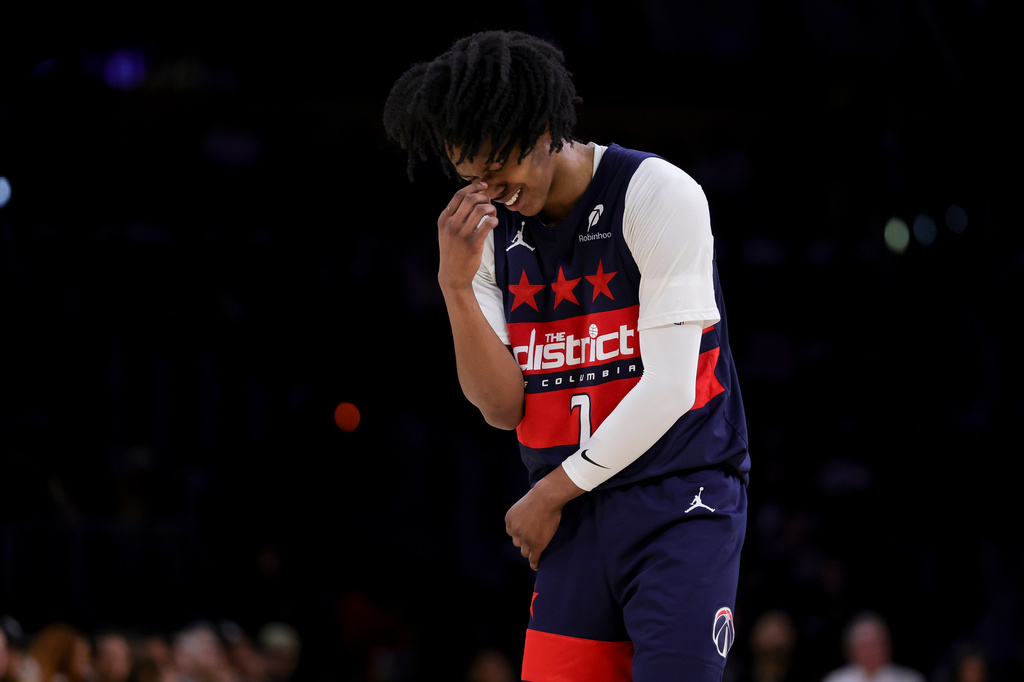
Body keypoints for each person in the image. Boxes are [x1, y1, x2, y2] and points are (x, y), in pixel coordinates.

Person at [384, 30, 750, 682]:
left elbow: (670, 388)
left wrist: (547, 493)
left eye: (501, 168)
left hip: (679, 498)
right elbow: (501, 408)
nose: (491, 190)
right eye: (472, 177)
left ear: (544, 128)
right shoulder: (486, 237)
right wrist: (456, 287)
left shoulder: (657, 192)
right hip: (573, 516)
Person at [821, 612, 924, 682]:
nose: (870, 651)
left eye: (876, 643)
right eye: (864, 645)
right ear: (851, 650)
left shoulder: (909, 679)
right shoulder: (836, 679)